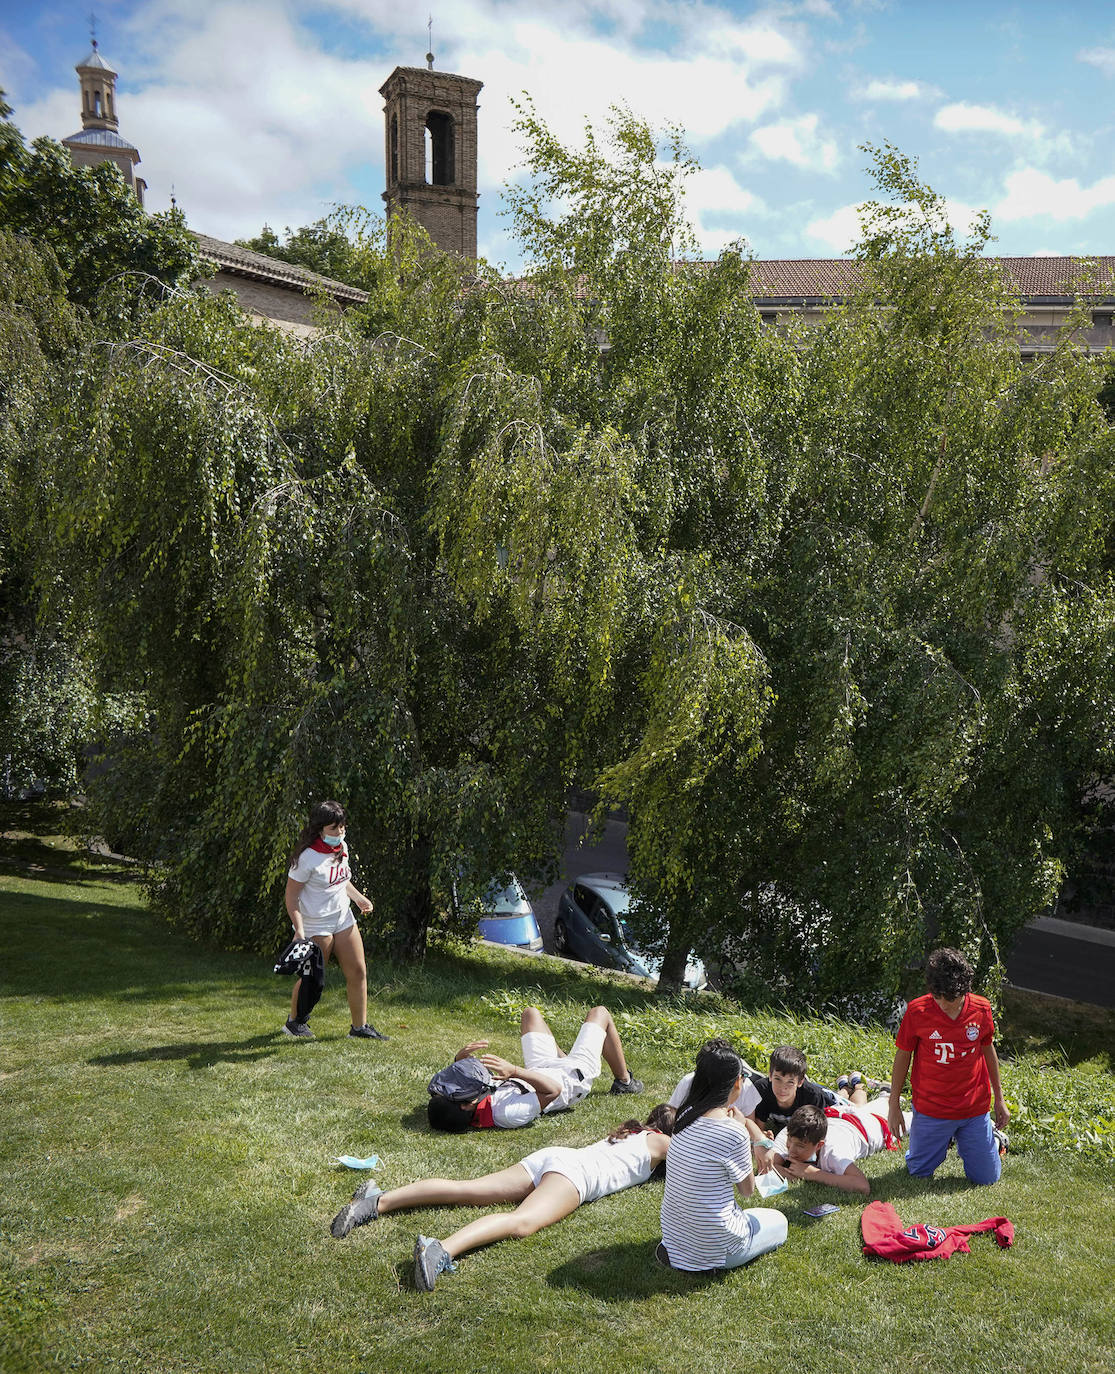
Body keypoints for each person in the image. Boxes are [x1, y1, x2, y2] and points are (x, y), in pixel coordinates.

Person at [328, 1105, 676, 1291]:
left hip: (555, 1157)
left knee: (467, 1189)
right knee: (521, 1222)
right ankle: (440, 1248)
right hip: (575, 1176)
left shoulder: (632, 1134)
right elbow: (692, 1152)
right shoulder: (661, 1141)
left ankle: (377, 1200)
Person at [658, 1043, 788, 1272]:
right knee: (779, 1220)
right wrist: (743, 1135)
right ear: (737, 1082)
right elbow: (747, 1191)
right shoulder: (733, 1132)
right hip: (720, 1250)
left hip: (674, 1239)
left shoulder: (684, 1115)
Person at [888, 947, 1010, 1185]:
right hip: (931, 1108)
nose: (943, 1004)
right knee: (918, 1172)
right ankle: (942, 1140)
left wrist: (1000, 1099)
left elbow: (988, 1049)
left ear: (964, 990)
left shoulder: (982, 1008)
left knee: (987, 1178)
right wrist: (894, 1104)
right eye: (938, 997)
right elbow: (903, 1056)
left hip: (973, 1109)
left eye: (950, 999)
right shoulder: (917, 1010)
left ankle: (992, 1139)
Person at [426, 1005, 643, 1132]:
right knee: (599, 1013)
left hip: (540, 1069)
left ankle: (564, 1057)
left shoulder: (473, 1102)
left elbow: (464, 1085)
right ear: (466, 1106)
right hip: (571, 1079)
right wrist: (515, 1071)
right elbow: (553, 1091)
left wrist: (460, 1059)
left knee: (530, 1014)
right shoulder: (507, 1114)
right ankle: (624, 1082)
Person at [282, 800, 386, 1041]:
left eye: (342, 827)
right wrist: (299, 930)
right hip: (315, 924)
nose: (339, 832)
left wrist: (358, 898)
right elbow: (291, 897)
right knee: (312, 979)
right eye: (333, 828)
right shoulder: (307, 858)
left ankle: (359, 1028)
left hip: (342, 917)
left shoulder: (341, 847)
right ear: (319, 829)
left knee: (358, 971)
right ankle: (294, 1022)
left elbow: (341, 880)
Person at [767, 1082, 913, 1195]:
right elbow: (768, 1165)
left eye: (800, 1146)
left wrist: (813, 1174)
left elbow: (862, 1186)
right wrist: (790, 1173)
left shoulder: (833, 1152)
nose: (791, 1150)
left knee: (915, 1120)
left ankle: (879, 1092)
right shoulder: (790, 1131)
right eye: (790, 1142)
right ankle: (869, 1089)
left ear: (819, 1145)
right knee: (863, 1106)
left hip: (872, 1127)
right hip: (841, 1114)